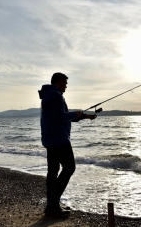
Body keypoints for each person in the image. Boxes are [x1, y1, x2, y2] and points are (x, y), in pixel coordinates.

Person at [38, 72, 97, 216]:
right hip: (58, 140)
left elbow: (61, 116)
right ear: (58, 82)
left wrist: (84, 116)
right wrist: (75, 114)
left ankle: (51, 205)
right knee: (69, 167)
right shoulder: (55, 96)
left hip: (50, 139)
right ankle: (52, 204)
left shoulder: (49, 95)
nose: (66, 86)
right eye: (65, 83)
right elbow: (60, 117)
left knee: (53, 171)